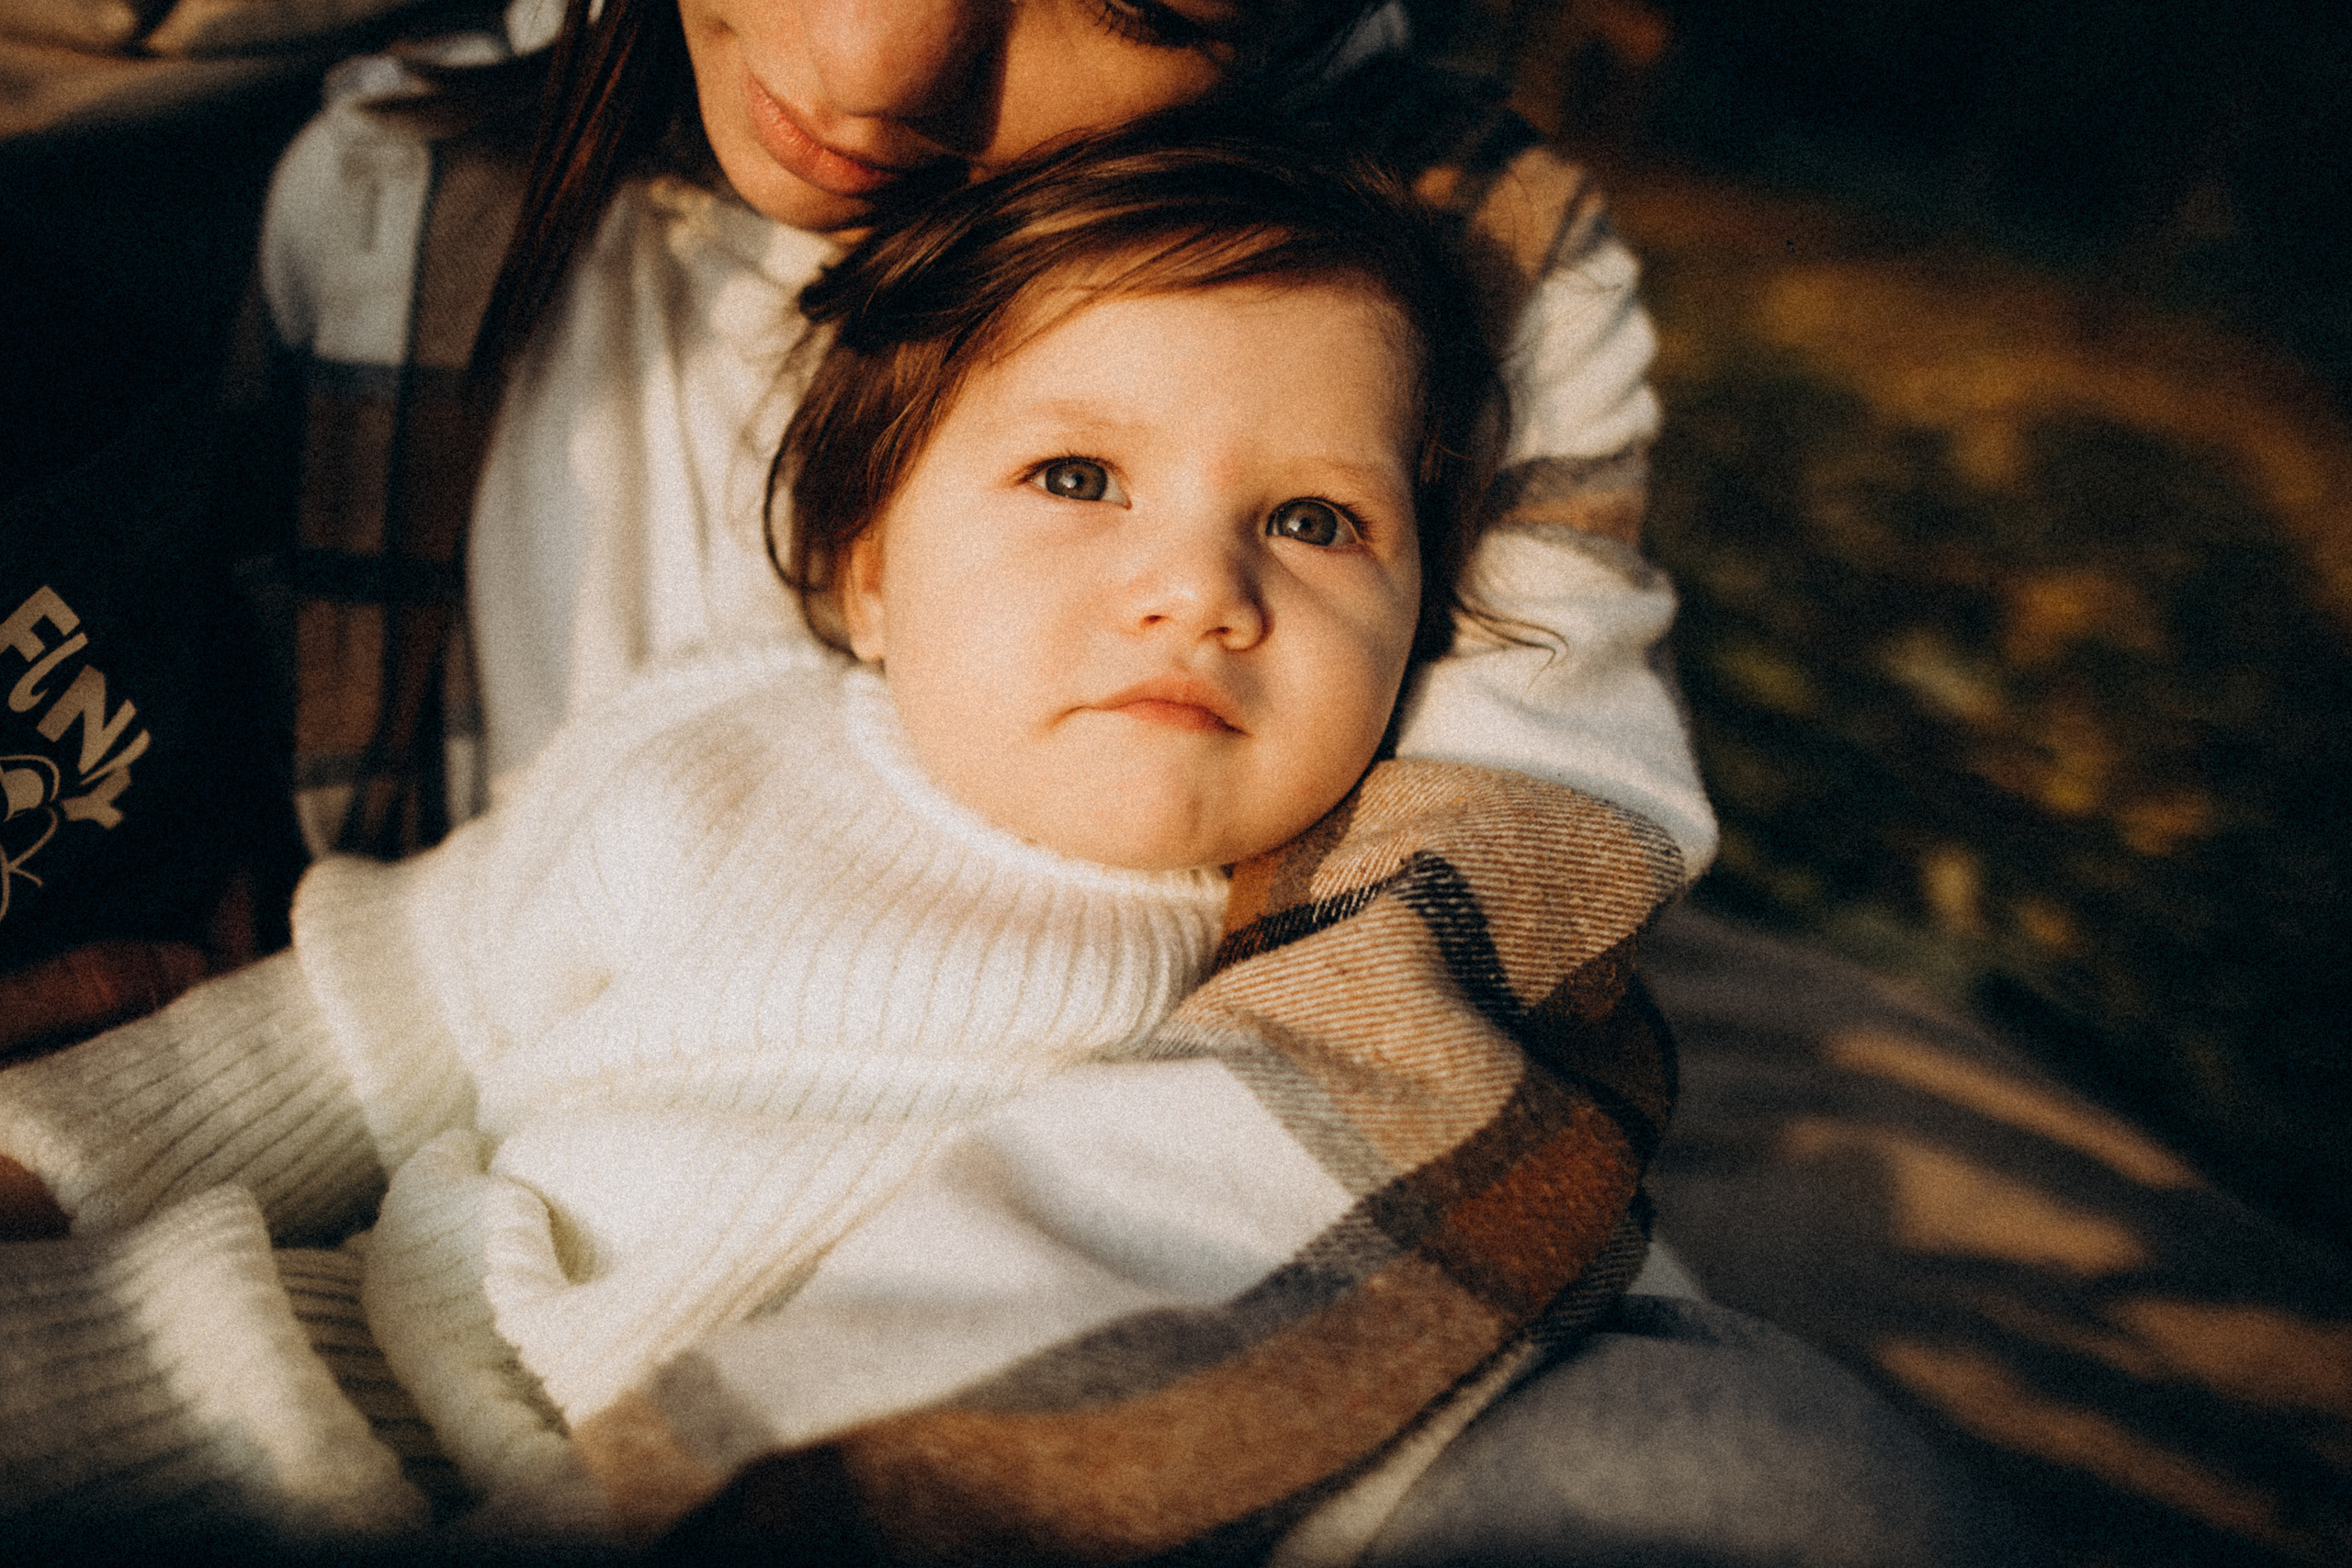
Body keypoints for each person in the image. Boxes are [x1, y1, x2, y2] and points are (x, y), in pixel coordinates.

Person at [2, 2, 2018, 1563]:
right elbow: (373, 999)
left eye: (1316, 523)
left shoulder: (1440, 275)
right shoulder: (400, 199)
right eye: (1074, 478)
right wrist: (62, 1135)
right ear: (853, 566)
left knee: (1781, 1482)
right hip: (363, 1339)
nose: (870, 74)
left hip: (1069, 1376)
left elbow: (1453, 990)